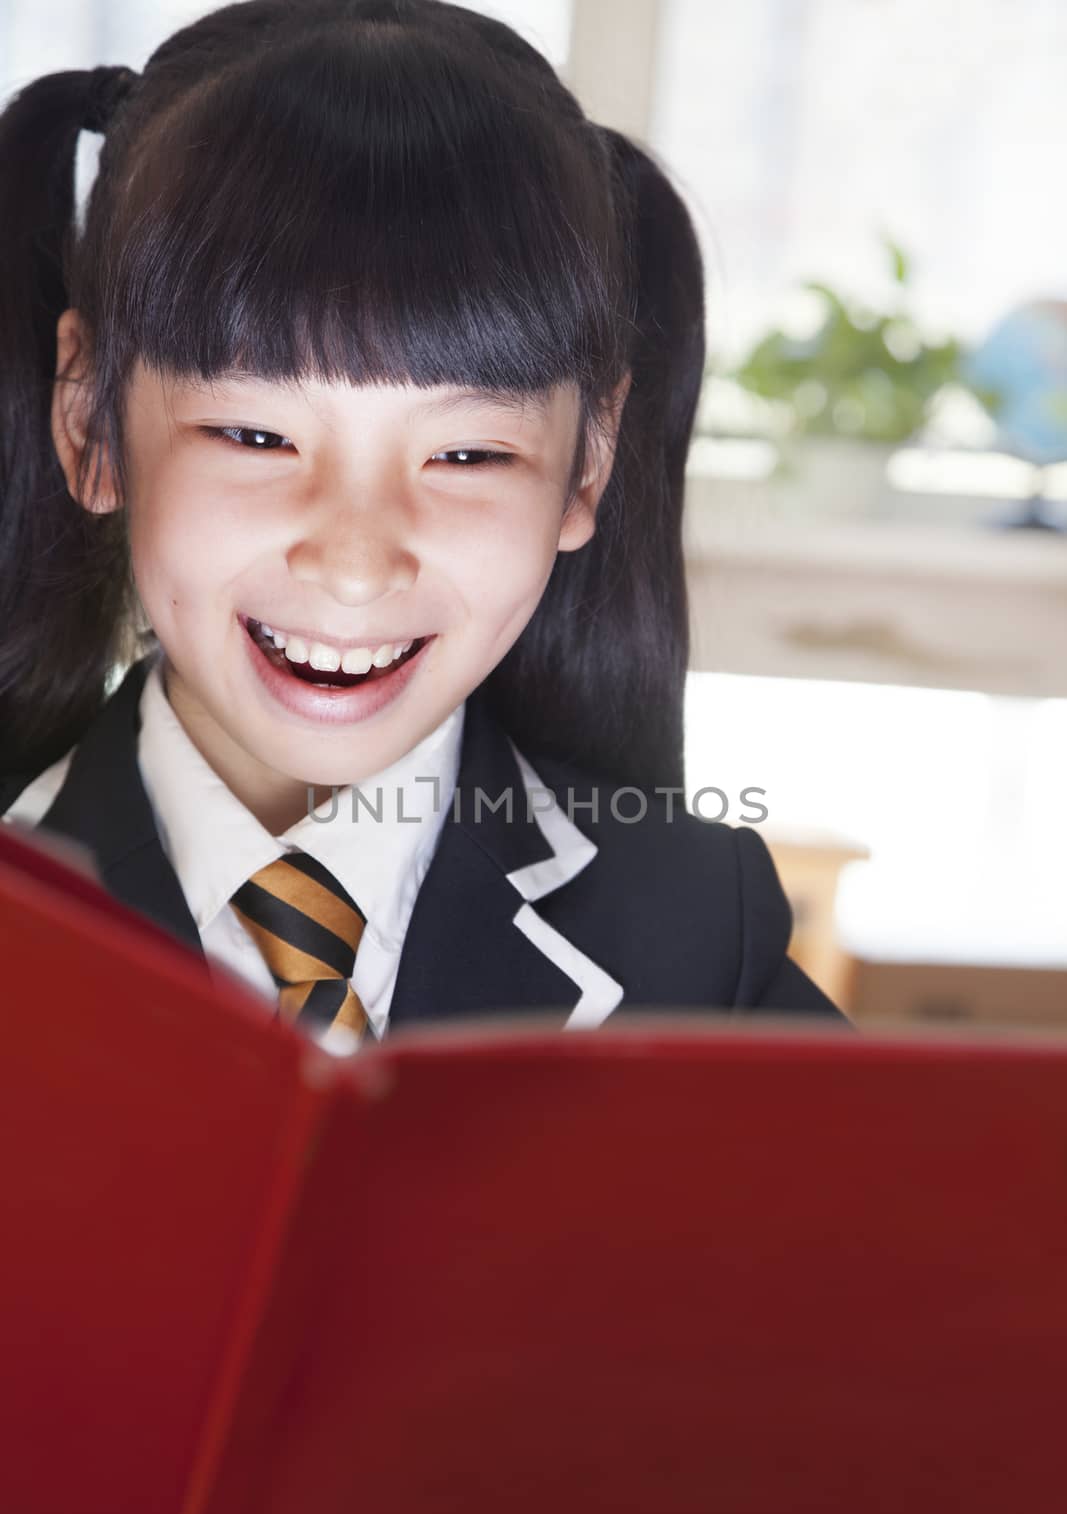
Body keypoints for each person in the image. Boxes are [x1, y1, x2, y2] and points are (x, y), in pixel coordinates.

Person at [0, 0, 848, 1049]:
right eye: (255, 437)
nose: (354, 565)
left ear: (587, 462)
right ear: (89, 421)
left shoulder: (698, 934)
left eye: (466, 454)